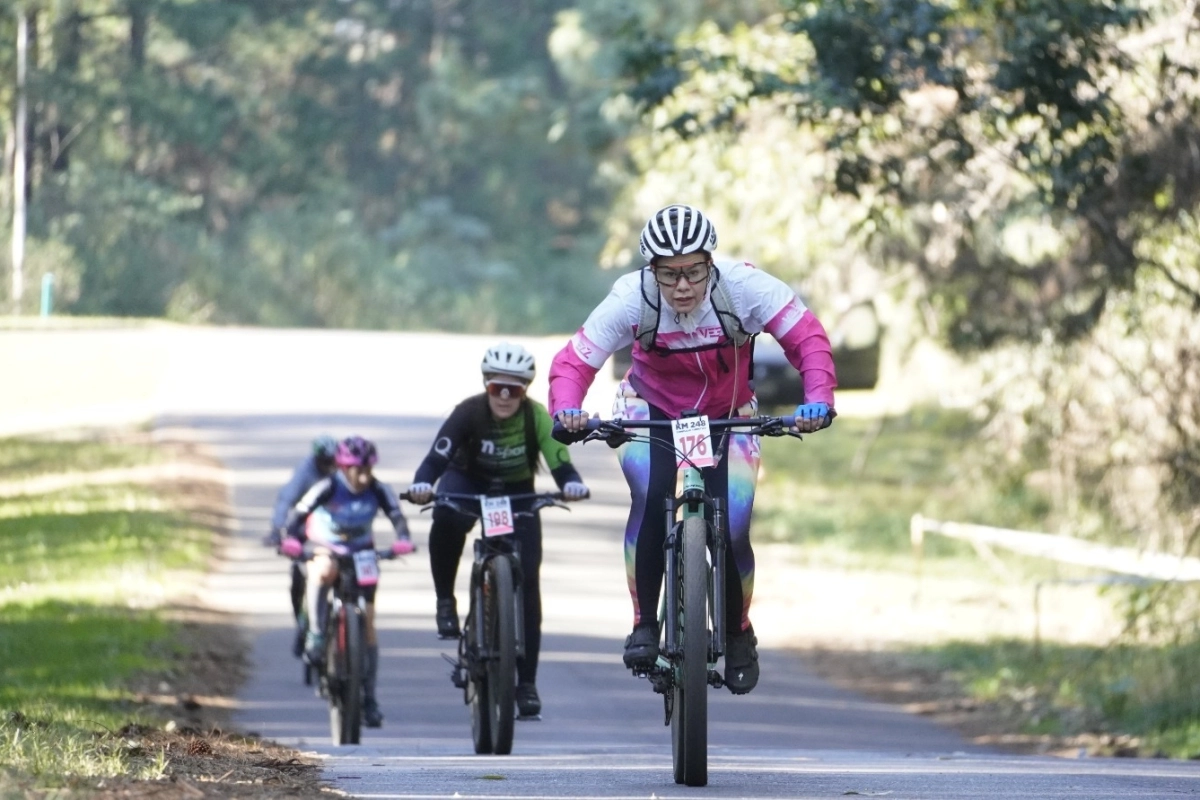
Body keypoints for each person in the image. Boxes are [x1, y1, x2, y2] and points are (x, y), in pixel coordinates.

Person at [549, 203, 837, 695]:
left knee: (736, 524)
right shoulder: (630, 298)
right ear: (650, 271)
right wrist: (566, 410)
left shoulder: (745, 288)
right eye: (668, 274)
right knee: (652, 494)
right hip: (649, 409)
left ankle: (739, 632)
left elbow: (807, 339)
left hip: (729, 414)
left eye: (693, 272)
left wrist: (818, 399)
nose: (682, 286)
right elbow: (574, 362)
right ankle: (644, 624)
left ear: (710, 262)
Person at [405, 342, 590, 718]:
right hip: (467, 481)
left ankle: (527, 685)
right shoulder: (467, 413)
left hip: (517, 492)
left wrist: (572, 483)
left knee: (530, 582)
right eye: (497, 389)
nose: (505, 397)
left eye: (515, 390)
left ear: (526, 391)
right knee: (446, 516)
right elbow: (434, 460)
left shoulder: (537, 417)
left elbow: (560, 462)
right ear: (486, 385)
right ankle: (445, 601)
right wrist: (422, 485)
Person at [278, 435, 414, 728]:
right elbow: (298, 515)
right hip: (328, 548)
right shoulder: (327, 487)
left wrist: (403, 540)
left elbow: (396, 515)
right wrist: (290, 540)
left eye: (368, 469)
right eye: (357, 469)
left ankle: (369, 697)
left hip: (363, 553)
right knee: (322, 568)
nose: (364, 476)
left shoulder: (378, 489)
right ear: (343, 467)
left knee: (368, 624)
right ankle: (315, 633)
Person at [263, 434, 339, 657]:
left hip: (335, 531)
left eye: (332, 461)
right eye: (324, 462)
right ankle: (303, 625)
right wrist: (277, 530)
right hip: (305, 528)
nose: (329, 466)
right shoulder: (304, 473)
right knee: (298, 578)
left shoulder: (340, 472)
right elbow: (286, 500)